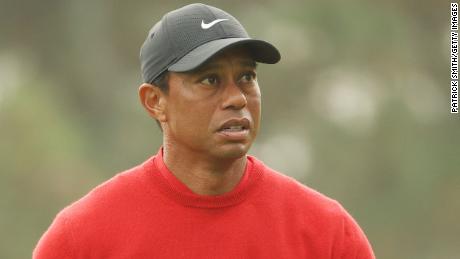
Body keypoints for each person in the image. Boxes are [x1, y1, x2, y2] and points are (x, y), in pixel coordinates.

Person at [33, 3, 375, 258]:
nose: (237, 98)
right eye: (210, 80)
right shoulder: (81, 238)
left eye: (247, 77)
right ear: (155, 101)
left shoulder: (327, 233)